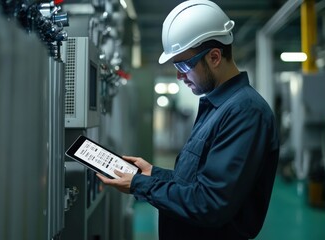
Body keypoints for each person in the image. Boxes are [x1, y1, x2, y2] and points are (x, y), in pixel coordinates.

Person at [97, 0, 279, 239]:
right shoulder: (216, 107)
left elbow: (210, 203)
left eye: (183, 64)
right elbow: (196, 184)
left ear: (214, 57)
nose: (179, 75)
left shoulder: (245, 112)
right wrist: (153, 173)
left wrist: (139, 184)